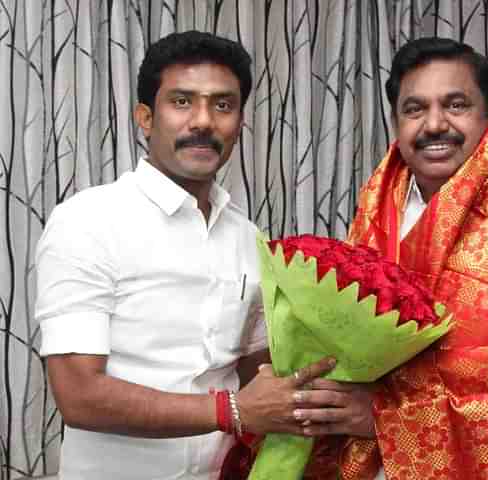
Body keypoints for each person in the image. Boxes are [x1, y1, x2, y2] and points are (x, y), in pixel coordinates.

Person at [288, 37, 488, 479]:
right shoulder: (380, 202)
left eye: (455, 105)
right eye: (415, 109)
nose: (434, 124)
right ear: (397, 121)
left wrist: (390, 418)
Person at [35, 30, 339, 480]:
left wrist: (320, 385)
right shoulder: (87, 221)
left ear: (239, 122)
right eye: (181, 102)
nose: (203, 121)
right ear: (145, 117)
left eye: (222, 105)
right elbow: (79, 396)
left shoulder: (247, 236)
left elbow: (255, 372)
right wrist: (233, 410)